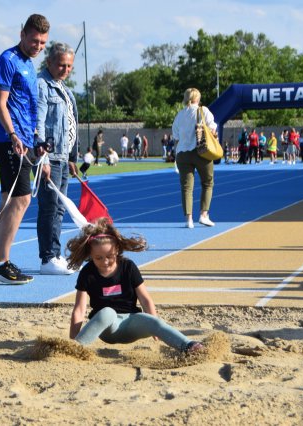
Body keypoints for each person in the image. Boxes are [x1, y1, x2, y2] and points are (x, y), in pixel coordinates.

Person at [67, 218, 205, 354]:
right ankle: (74, 349)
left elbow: (145, 299)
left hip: (132, 322)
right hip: (108, 327)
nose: (105, 262)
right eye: (99, 258)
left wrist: (154, 326)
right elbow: (79, 310)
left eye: (110, 256)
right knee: (107, 312)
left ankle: (188, 346)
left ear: (117, 251)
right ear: (90, 255)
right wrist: (72, 339)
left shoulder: (128, 267)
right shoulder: (87, 273)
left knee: (153, 320)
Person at [0, 14, 50, 284]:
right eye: (34, 40)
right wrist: (13, 134)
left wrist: (36, 138)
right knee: (21, 199)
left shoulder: (29, 65)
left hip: (24, 139)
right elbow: (0, 103)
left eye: (43, 43)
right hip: (8, 140)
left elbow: (29, 107)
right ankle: (1, 264)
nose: (38, 46)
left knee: (8, 202)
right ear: (22, 33)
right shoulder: (8, 60)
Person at [35, 41, 79, 275]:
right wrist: (42, 157)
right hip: (49, 157)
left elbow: (71, 124)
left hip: (63, 157)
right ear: (49, 62)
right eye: (61, 64)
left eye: (69, 66)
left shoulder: (64, 88)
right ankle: (48, 258)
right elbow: (39, 122)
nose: (65, 69)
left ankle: (56, 254)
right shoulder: (42, 85)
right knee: (49, 207)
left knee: (60, 208)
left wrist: (73, 156)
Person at [172, 88, 217, 229]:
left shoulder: (179, 115)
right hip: (201, 151)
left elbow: (176, 137)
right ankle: (204, 215)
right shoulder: (203, 111)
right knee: (207, 183)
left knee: (186, 188)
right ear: (198, 98)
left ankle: (188, 219)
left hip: (182, 154)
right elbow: (213, 129)